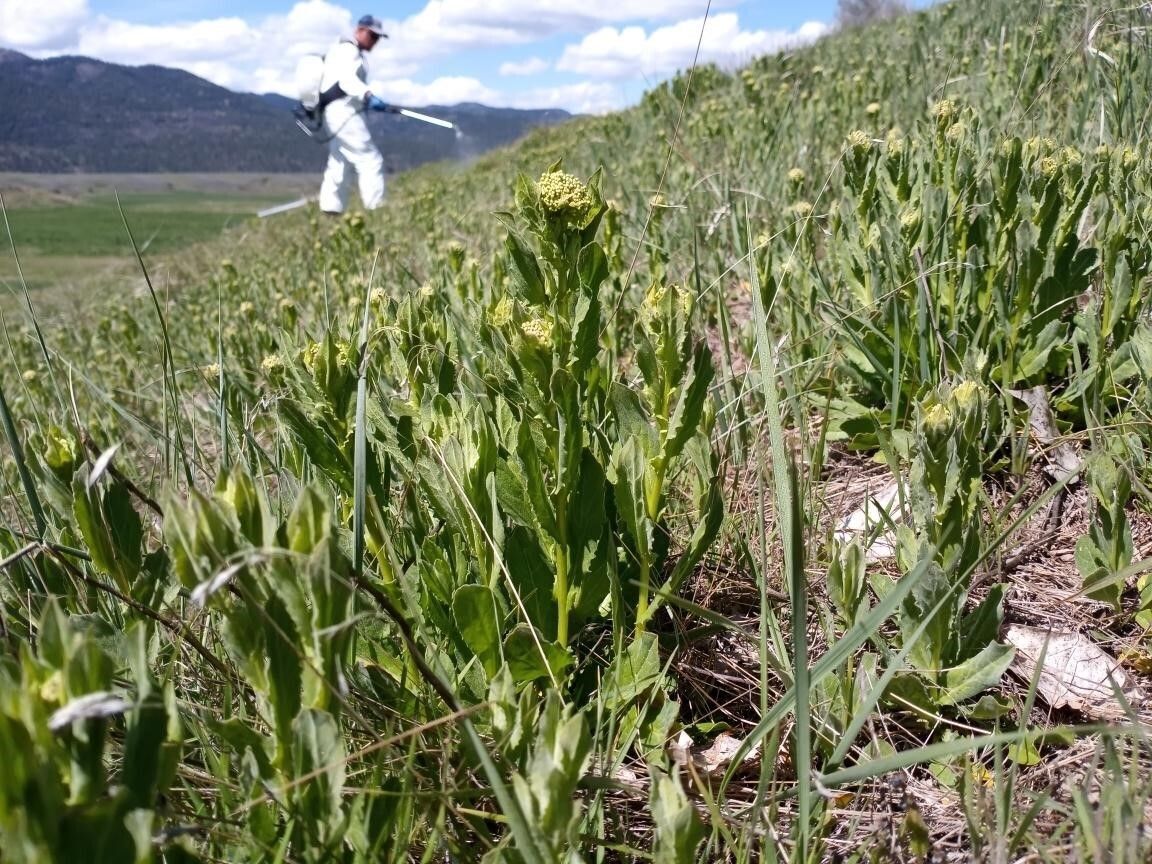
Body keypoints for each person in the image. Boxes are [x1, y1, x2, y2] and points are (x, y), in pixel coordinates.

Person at [317, 14, 392, 214]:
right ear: (359, 30)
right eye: (372, 36)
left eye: (377, 38)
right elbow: (347, 81)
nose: (374, 41)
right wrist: (368, 96)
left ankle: (331, 209)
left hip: (334, 113)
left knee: (340, 160)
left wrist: (364, 100)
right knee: (370, 158)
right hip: (344, 113)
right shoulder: (348, 51)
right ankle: (377, 209)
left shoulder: (339, 50)